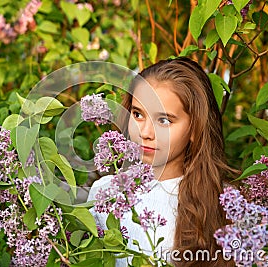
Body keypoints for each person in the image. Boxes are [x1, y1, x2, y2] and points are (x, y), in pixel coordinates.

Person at [87, 57, 235, 267]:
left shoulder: (224, 202)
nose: (145, 133)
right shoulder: (105, 192)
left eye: (164, 120)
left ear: (195, 128)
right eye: (138, 114)